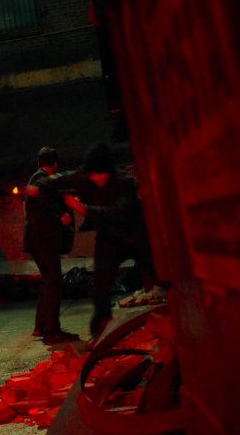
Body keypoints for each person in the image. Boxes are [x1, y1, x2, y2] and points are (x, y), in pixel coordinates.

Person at [36, 143, 158, 339]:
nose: (97, 179)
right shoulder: (83, 177)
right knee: (101, 283)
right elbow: (46, 185)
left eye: (101, 175)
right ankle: (100, 329)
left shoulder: (124, 182)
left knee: (156, 270)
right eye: (93, 175)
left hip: (134, 234)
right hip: (109, 237)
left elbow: (120, 213)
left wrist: (83, 208)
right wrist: (58, 210)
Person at [23, 146, 80, 344]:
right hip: (43, 239)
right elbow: (43, 195)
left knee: (48, 281)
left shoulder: (36, 177)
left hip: (39, 239)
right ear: (55, 164)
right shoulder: (41, 179)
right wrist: (61, 213)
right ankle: (51, 330)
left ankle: (41, 326)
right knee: (53, 281)